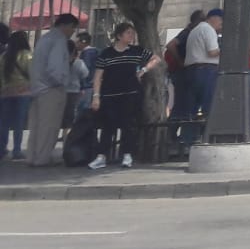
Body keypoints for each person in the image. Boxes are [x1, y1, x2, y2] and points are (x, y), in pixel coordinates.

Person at [88, 22, 158, 170]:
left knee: (128, 125)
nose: (131, 36)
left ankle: (127, 154)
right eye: (128, 33)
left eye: (132, 33)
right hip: (110, 94)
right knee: (108, 125)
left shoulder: (136, 51)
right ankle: (102, 156)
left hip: (130, 93)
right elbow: (98, 75)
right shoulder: (106, 53)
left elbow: (155, 59)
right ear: (119, 36)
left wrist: (143, 70)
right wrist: (96, 96)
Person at [25, 12, 78, 165]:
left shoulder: (44, 38)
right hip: (52, 89)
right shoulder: (59, 41)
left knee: (36, 126)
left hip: (38, 87)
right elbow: (55, 67)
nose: (73, 32)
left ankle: (32, 157)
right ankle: (42, 158)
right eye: (73, 28)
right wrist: (60, 82)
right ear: (67, 26)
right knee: (49, 126)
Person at [181, 8, 224, 145]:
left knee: (191, 108)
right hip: (206, 71)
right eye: (221, 21)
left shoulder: (195, 30)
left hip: (191, 70)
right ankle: (206, 139)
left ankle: (187, 140)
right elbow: (212, 52)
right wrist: (225, 48)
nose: (221, 25)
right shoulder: (208, 30)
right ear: (213, 18)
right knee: (207, 105)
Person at [2, 28, 32, 160]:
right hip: (23, 93)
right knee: (19, 123)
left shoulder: (4, 56)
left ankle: (2, 148)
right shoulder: (27, 55)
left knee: (4, 123)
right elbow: (32, 73)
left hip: (6, 93)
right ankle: (17, 150)